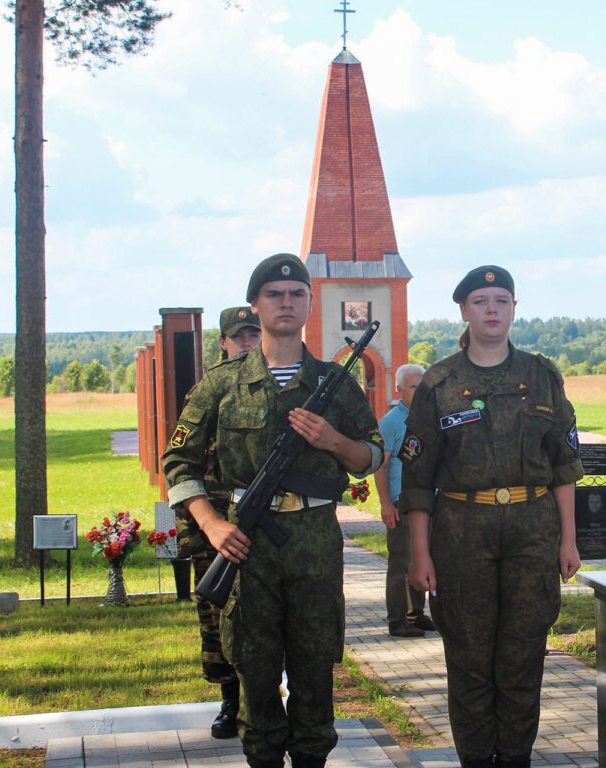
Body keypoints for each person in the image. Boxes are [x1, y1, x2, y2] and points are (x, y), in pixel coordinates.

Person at [163, 253, 384, 768]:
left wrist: (332, 440)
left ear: (309, 303)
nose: (286, 302)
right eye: (274, 294)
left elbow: (370, 455)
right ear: (255, 305)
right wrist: (213, 525)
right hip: (246, 543)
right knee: (254, 669)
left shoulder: (335, 381)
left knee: (314, 666)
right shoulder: (221, 383)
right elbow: (179, 460)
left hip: (313, 542)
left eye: (296, 294)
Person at [398, 265, 583, 768]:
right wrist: (420, 554)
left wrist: (568, 540)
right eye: (481, 301)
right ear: (464, 311)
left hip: (532, 530)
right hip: (462, 532)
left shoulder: (542, 377)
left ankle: (517, 759)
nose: (492, 310)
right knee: (469, 661)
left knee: (523, 658)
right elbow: (417, 478)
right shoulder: (438, 382)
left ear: (514, 309)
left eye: (502, 300)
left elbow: (565, 466)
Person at [174, 306, 261, 739]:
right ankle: (230, 698)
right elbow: (181, 461)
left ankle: (260, 699)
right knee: (216, 613)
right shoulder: (206, 393)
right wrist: (205, 524)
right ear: (222, 343)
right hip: (216, 525)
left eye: (253, 334)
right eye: (238, 336)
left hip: (261, 521)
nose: (247, 342)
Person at [371, 363, 435, 638]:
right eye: (413, 387)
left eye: (422, 387)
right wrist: (386, 504)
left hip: (428, 502)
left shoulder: (428, 417)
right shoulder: (392, 422)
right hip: (401, 504)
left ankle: (416, 615)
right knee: (401, 563)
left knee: (422, 559)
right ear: (399, 389)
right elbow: (379, 466)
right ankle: (397, 621)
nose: (419, 392)